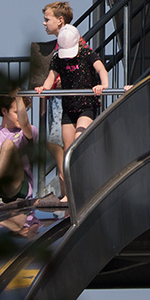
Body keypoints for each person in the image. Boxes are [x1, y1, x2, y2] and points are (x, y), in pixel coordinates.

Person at [36, 24, 111, 202]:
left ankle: (88, 185)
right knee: (68, 150)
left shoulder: (87, 53)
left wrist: (103, 85)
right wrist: (44, 88)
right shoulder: (58, 58)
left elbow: (101, 69)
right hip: (68, 107)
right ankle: (70, 193)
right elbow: (51, 77)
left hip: (86, 105)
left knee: (79, 140)